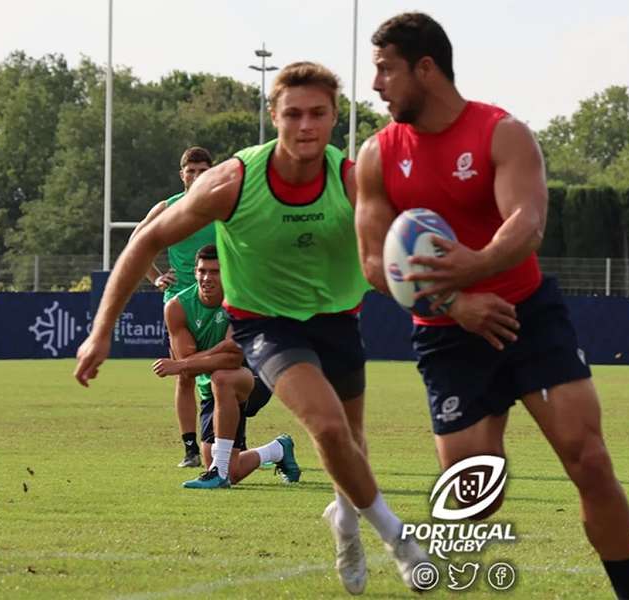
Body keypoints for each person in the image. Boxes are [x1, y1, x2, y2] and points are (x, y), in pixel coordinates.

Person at [75, 61, 427, 594]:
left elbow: (392, 254)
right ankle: (398, 539)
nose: (305, 125)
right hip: (267, 326)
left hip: (336, 320)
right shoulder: (232, 182)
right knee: (328, 428)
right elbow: (144, 241)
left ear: (335, 118)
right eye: (292, 114)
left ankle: (346, 524)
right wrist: (102, 330)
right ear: (273, 115)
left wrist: (410, 277)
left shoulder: (353, 180)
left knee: (352, 446)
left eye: (318, 114)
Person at [355, 13, 629, 600]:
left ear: (426, 68)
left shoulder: (501, 133)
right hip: (447, 334)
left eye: (386, 70)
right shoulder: (377, 156)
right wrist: (456, 300)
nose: (377, 85)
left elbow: (528, 223)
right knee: (471, 492)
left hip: (526, 315)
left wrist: (474, 266)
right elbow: (372, 262)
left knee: (588, 459)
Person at [150, 244, 300, 488]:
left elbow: (232, 358)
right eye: (202, 271)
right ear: (195, 272)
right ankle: (277, 450)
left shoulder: (242, 299)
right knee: (233, 469)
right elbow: (190, 365)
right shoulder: (177, 307)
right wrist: (213, 353)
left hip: (256, 376)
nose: (207, 278)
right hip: (212, 388)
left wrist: (185, 363)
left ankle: (218, 474)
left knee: (224, 376)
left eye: (215, 271)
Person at [130, 146, 216, 468]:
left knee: (228, 372)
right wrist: (154, 278)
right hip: (181, 301)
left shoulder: (223, 207)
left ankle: (228, 442)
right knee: (186, 373)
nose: (196, 177)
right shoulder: (168, 207)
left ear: (212, 172)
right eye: (190, 171)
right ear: (182, 175)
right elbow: (137, 242)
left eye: (203, 171)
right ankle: (191, 448)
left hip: (221, 301)